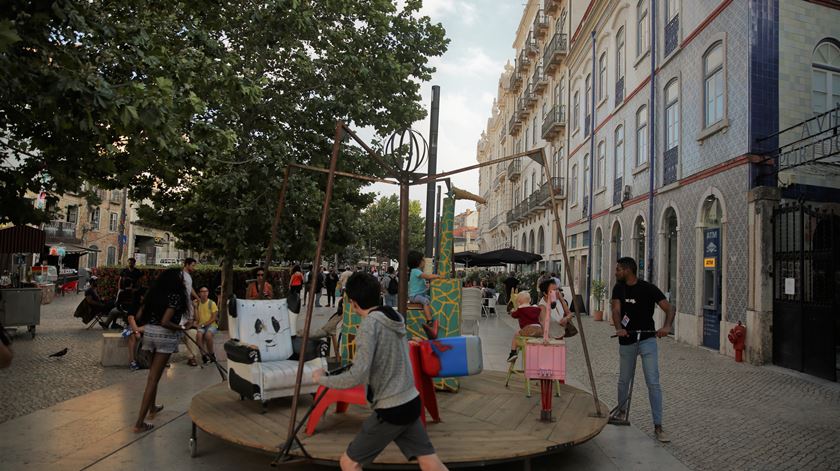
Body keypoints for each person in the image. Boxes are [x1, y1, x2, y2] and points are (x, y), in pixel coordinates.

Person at [311, 273, 447, 471]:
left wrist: (324, 379)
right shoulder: (394, 316)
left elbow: (357, 375)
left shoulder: (369, 326)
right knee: (429, 461)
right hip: (410, 401)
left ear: (353, 302)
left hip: (392, 408)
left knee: (349, 463)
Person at [611, 257, 674, 443]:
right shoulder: (618, 288)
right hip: (627, 339)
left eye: (618, 269)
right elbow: (616, 310)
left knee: (653, 382)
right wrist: (619, 328)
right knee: (624, 380)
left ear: (628, 271)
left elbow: (669, 308)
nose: (616, 272)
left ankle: (658, 425)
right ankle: (622, 412)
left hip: (647, 340)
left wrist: (666, 326)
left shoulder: (648, 288)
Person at [132, 267, 188, 433]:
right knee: (153, 378)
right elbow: (165, 321)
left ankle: (153, 407)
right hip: (164, 336)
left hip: (149, 332)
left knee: (152, 375)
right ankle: (139, 423)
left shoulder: (153, 293)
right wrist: (181, 327)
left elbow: (139, 316)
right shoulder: (175, 296)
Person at [407, 251, 441, 339]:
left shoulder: (417, 272)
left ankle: (432, 315)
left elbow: (422, 284)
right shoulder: (415, 271)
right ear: (418, 262)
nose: (424, 262)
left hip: (419, 294)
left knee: (431, 299)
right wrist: (436, 276)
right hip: (414, 296)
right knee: (425, 301)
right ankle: (429, 321)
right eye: (423, 260)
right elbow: (427, 276)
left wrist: (427, 286)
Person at [507, 291, 543, 362]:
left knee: (516, 335)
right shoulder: (536, 309)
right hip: (539, 329)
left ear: (519, 302)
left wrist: (512, 311)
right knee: (531, 337)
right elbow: (539, 311)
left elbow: (514, 315)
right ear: (530, 300)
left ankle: (513, 352)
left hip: (528, 328)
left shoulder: (521, 310)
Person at [181, 258, 200, 366]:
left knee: (192, 331)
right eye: (192, 265)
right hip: (181, 305)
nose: (194, 268)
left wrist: (197, 296)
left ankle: (191, 357)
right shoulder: (181, 275)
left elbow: (190, 288)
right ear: (187, 265)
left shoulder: (188, 276)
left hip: (187, 304)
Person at [194, 286, 219, 364]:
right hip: (202, 325)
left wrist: (203, 325)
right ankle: (204, 355)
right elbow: (197, 319)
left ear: (208, 293)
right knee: (198, 335)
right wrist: (195, 308)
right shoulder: (198, 304)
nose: (204, 293)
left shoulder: (212, 303)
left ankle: (212, 355)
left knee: (208, 335)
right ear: (199, 293)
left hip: (211, 325)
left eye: (206, 291)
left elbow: (214, 318)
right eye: (202, 291)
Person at [126, 287, 147, 371]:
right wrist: (136, 331)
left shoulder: (150, 305)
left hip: (144, 327)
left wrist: (137, 330)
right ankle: (132, 361)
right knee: (132, 336)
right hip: (133, 327)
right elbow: (131, 319)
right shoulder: (134, 305)